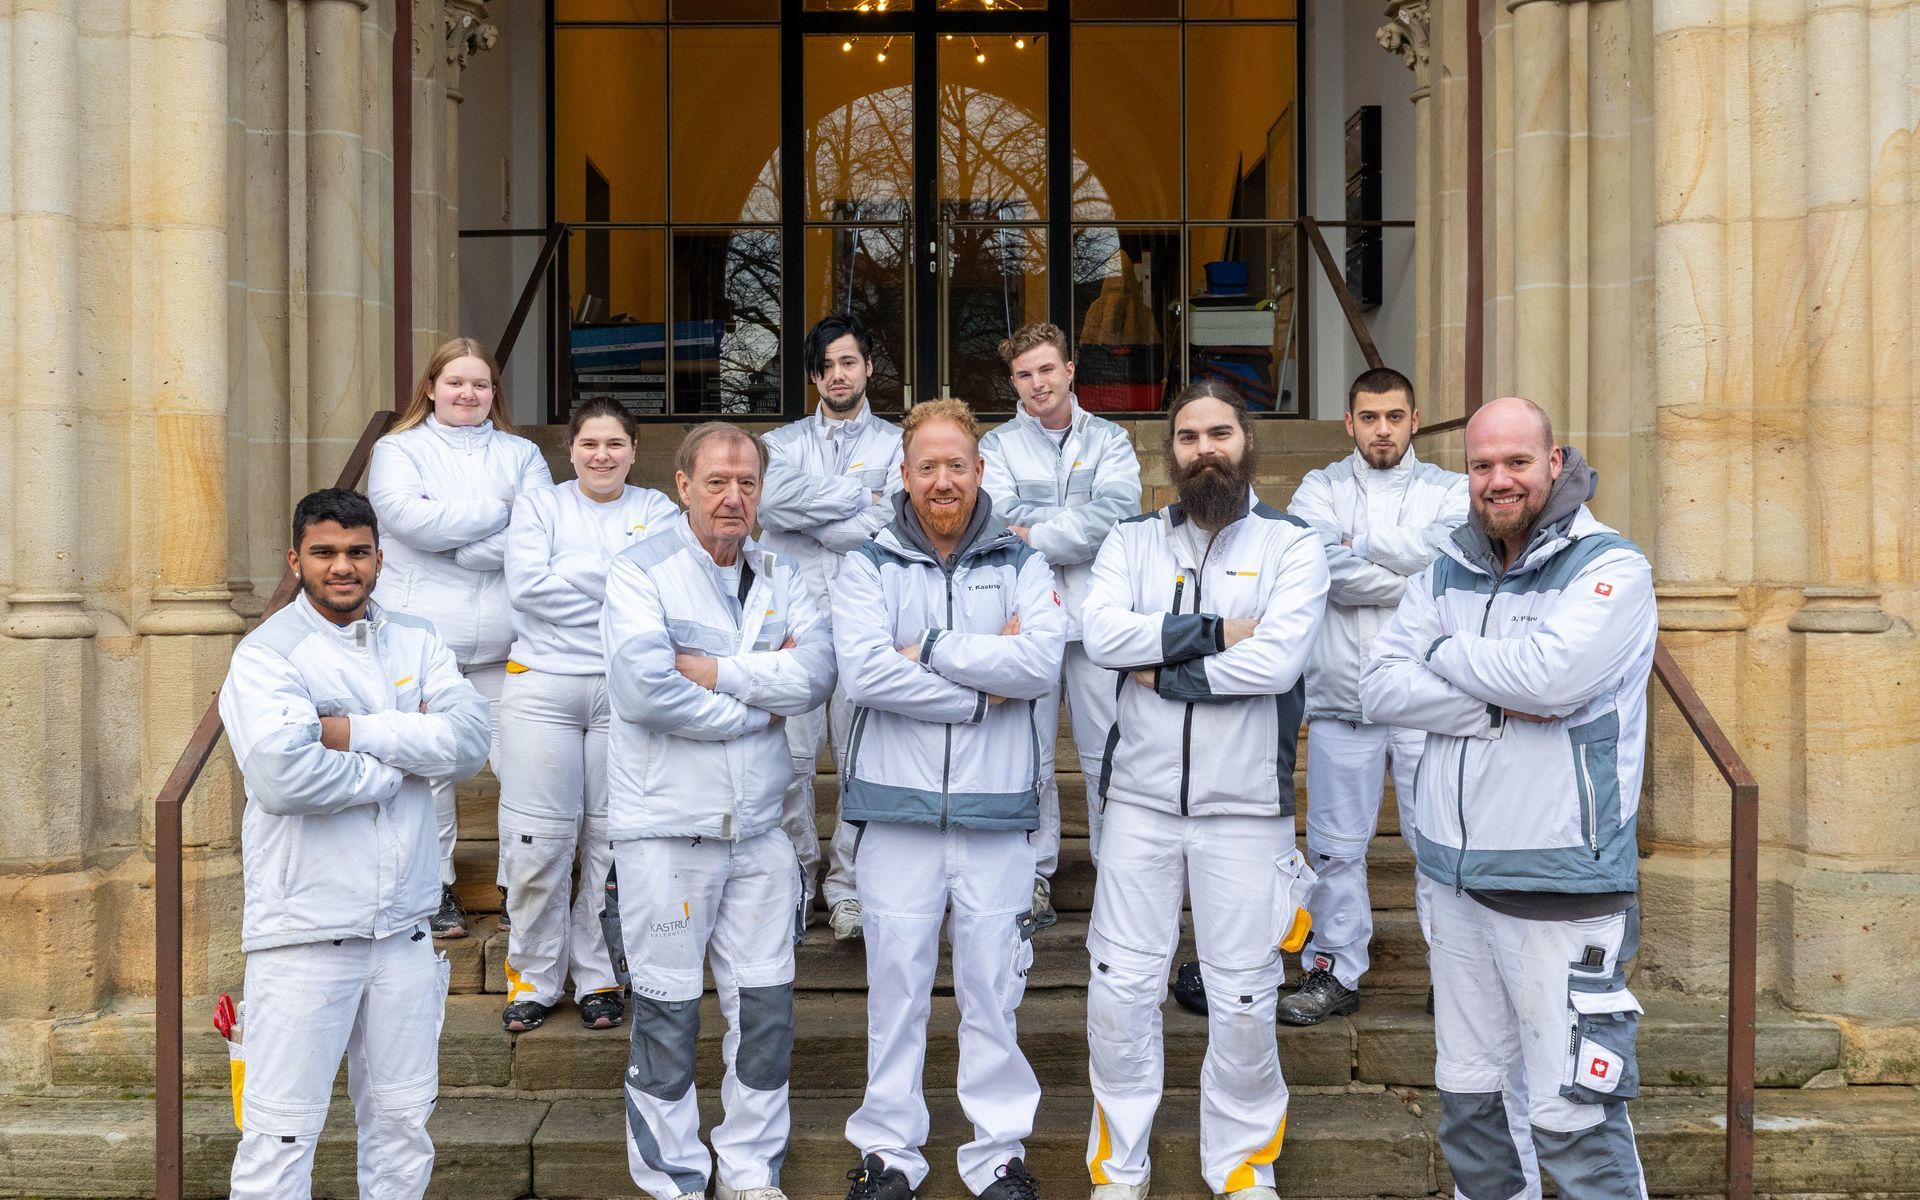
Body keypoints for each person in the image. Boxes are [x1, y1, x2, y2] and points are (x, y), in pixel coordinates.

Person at [1360, 396, 1657, 1200]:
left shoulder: (1610, 568)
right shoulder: (1444, 568)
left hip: (1557, 882)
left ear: (1555, 463)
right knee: (1473, 1102)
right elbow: (1380, 684)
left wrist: (1444, 649)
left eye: (1518, 462)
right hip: (1453, 879)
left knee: (1573, 1113)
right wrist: (1496, 702)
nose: (1499, 480)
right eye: (1483, 464)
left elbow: (1554, 680)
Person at [1079, 380, 1329, 1200]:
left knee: (1249, 997)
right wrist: (1220, 633)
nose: (1204, 450)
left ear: (1247, 438)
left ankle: (1242, 1169)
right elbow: (1103, 634)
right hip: (1142, 807)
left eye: (1219, 433)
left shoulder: (1294, 545)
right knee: (1120, 991)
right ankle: (1119, 1172)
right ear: (1171, 452)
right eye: (1188, 437)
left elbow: (1279, 663)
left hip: (1247, 811)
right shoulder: (1132, 540)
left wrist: (1162, 670)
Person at [220, 488, 492, 1199]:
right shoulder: (267, 653)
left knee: (403, 1126)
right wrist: (401, 763)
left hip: (402, 933)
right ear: (295, 560)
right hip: (304, 935)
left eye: (357, 552)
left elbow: (468, 742)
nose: (343, 567)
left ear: (379, 557)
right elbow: (283, 776)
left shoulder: (418, 638)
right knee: (280, 1134)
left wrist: (350, 731)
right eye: (325, 552)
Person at [835, 399, 1066, 1200]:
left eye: (957, 465)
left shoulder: (1023, 563)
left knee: (993, 991)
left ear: (979, 472)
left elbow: (1038, 664)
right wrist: (974, 692)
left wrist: (931, 649)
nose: (943, 480)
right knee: (896, 990)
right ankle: (889, 1153)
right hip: (896, 814)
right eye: (927, 466)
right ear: (903, 475)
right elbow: (865, 671)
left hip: (996, 812)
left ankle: (997, 1153)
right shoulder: (866, 563)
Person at [602, 423, 836, 1200]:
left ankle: (749, 1175)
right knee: (667, 1018)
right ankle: (672, 1181)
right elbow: (644, 693)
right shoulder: (641, 572)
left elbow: (815, 676)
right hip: (666, 835)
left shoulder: (783, 572)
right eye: (717, 482)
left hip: (761, 834)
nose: (734, 497)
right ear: (681, 486)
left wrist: (717, 673)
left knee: (766, 1015)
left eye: (747, 483)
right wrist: (755, 700)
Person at [1277, 366, 1467, 1024]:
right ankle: (1333, 970)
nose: (1380, 429)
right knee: (1334, 847)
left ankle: (1457, 975)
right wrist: (1411, 571)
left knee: (1439, 840)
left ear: (1415, 421)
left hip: (1424, 699)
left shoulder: (1451, 489)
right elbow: (1318, 568)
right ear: (1349, 423)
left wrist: (1363, 548)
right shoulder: (1317, 488)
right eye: (1368, 417)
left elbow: (1453, 564)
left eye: (1393, 416)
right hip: (1341, 697)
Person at [494, 399, 681, 1033]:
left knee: (608, 839)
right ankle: (533, 976)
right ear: (570, 449)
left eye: (616, 444)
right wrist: (615, 586)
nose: (602, 455)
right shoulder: (542, 504)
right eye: (590, 443)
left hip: (623, 691)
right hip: (542, 683)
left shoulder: (656, 509)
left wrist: (573, 577)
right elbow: (526, 588)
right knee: (538, 841)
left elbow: (658, 595)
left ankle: (599, 972)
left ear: (634, 450)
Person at [367, 336, 552, 937]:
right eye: (455, 382)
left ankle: (517, 885)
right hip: (426, 642)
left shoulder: (522, 454)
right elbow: (405, 519)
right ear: (430, 388)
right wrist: (499, 513)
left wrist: (455, 543)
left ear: (494, 392)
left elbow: (540, 531)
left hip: (508, 641)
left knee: (522, 766)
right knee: (433, 770)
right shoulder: (398, 449)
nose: (467, 393)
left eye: (480, 384)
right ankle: (437, 885)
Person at [979, 322, 1141, 925]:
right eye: (1024, 374)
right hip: (1031, 618)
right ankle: (1035, 876)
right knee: (1032, 752)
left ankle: (1116, 870)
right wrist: (1073, 523)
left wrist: (1038, 532)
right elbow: (996, 519)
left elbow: (1120, 513)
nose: (1037, 383)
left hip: (1100, 616)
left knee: (1108, 752)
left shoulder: (1112, 439)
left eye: (1047, 370)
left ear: (1070, 370)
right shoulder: (995, 448)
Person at [757, 313, 906, 942]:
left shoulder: (899, 445)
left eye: (849, 362)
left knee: (857, 758)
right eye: (826, 367)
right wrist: (854, 499)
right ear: (813, 376)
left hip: (864, 618)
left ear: (868, 366)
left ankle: (847, 889)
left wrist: (807, 511)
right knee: (790, 759)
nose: (838, 375)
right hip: (789, 620)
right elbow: (765, 502)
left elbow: (897, 521)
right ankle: (794, 879)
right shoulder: (781, 443)